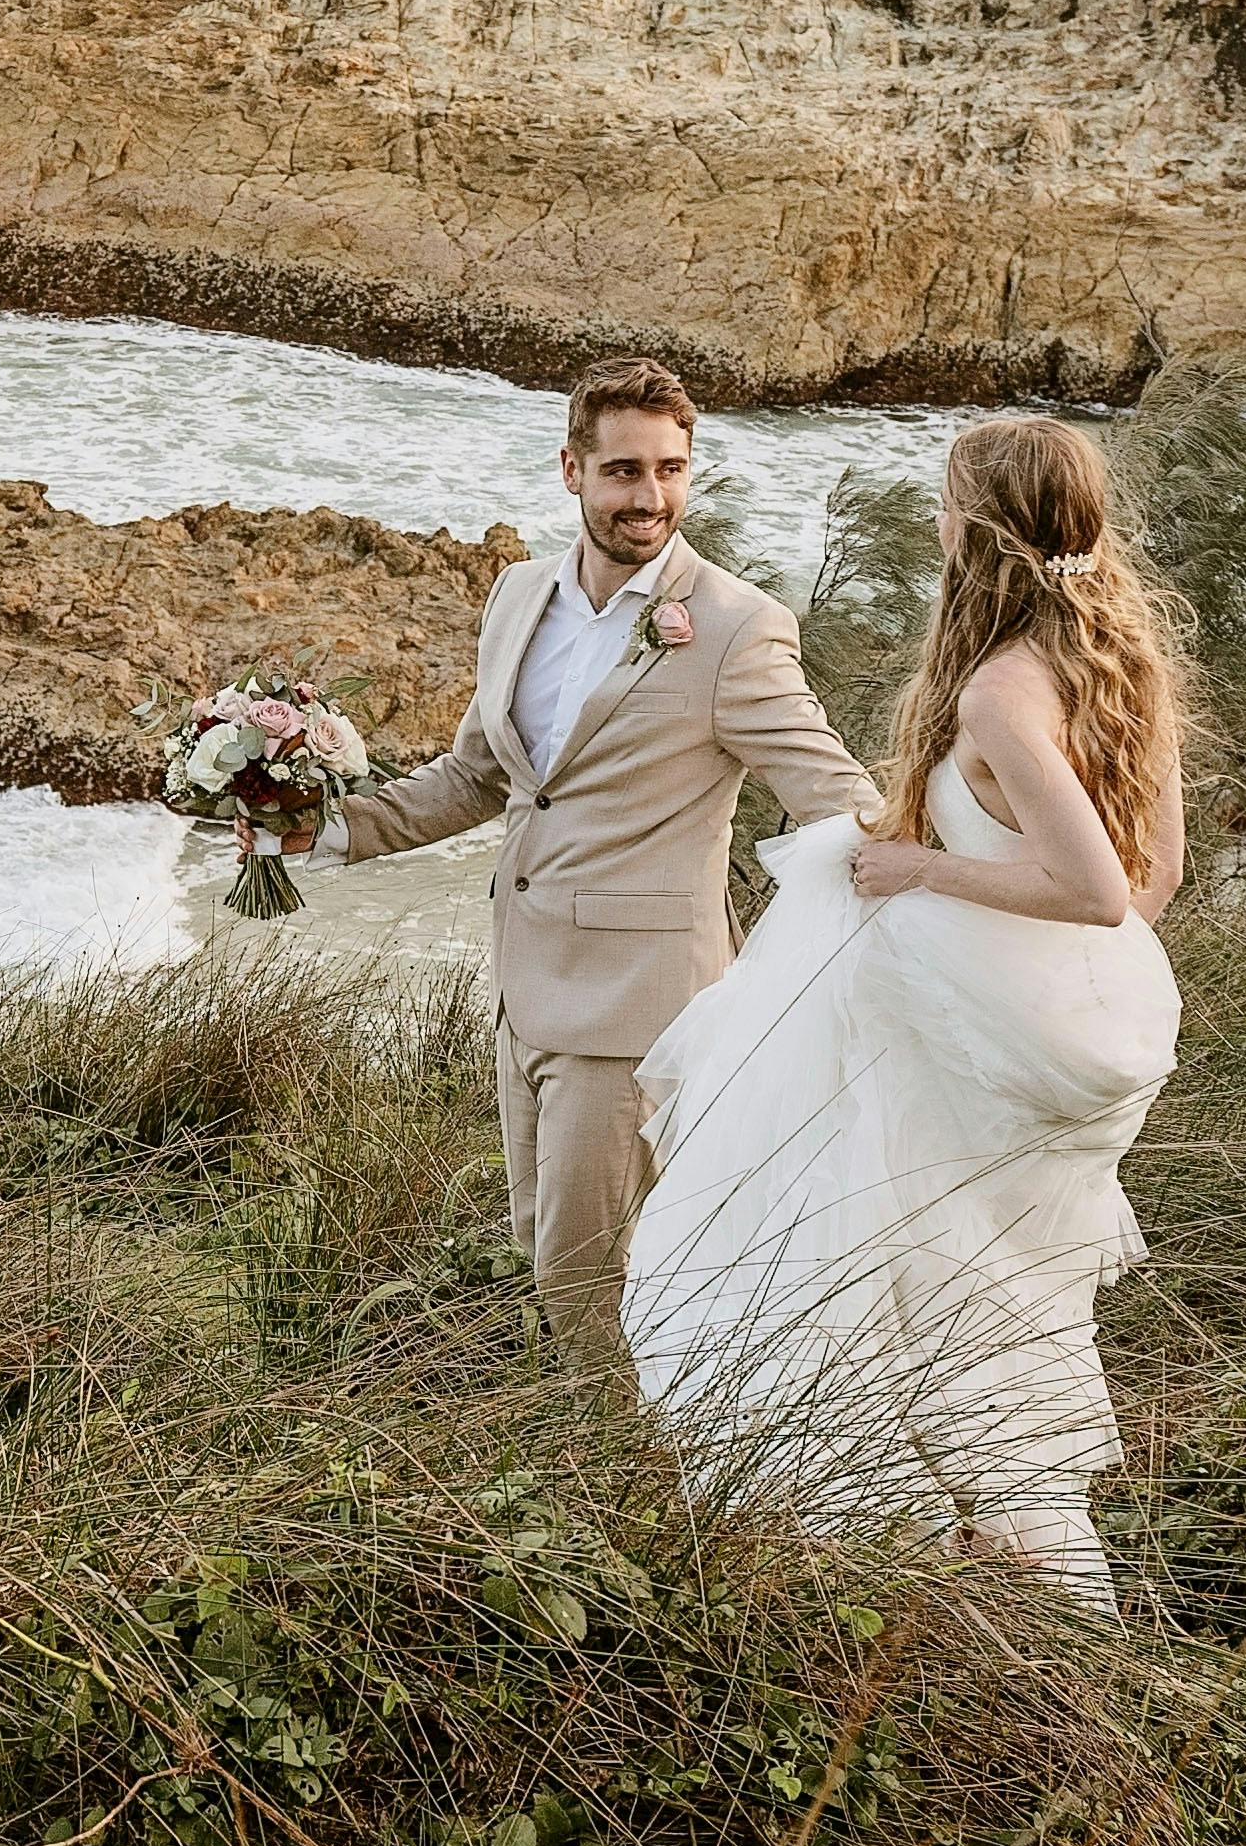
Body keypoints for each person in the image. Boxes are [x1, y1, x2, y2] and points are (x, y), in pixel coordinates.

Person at [618, 412, 1187, 1608]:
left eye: (943, 501)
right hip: (1059, 1019)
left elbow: (1089, 889)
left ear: (977, 531)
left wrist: (920, 872)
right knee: (985, 1302)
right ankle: (1034, 1592)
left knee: (894, 1279)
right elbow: (1155, 882)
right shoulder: (1126, 661)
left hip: (972, 1034)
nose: (932, 520)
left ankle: (919, 1579)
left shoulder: (1000, 692)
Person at [306, 359, 873, 1364]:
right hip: (523, 986)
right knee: (542, 1249)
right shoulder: (520, 595)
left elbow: (835, 795)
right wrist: (328, 828)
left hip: (640, 1006)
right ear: (571, 469)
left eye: (670, 469)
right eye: (622, 471)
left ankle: (631, 1483)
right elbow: (481, 776)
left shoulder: (737, 629)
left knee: (591, 1271)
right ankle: (613, 1463)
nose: (648, 497)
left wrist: (939, 885)